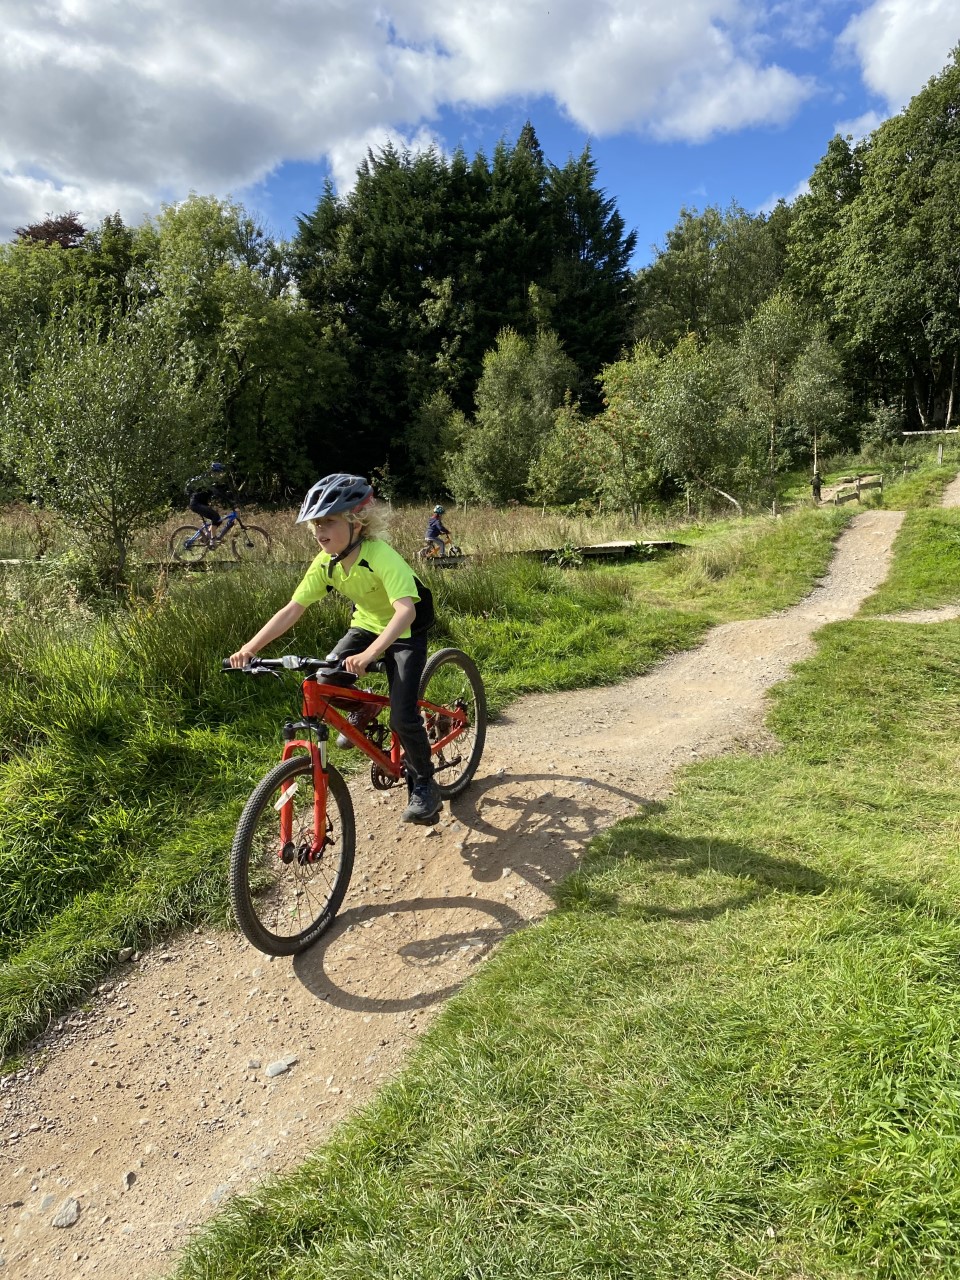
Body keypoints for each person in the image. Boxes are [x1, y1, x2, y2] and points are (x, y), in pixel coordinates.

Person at [228, 473, 442, 825]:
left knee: (403, 717)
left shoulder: (380, 555)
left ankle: (424, 784)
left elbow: (406, 610)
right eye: (315, 523)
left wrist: (371, 654)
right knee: (325, 680)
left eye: (328, 521)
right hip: (367, 625)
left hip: (406, 631)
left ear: (356, 523)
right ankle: (364, 709)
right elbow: (293, 609)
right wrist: (249, 648)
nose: (319, 530)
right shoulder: (326, 562)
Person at [186, 462, 233, 538]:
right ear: (214, 472)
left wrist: (230, 500)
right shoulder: (207, 481)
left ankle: (205, 537)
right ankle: (212, 539)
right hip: (196, 504)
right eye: (219, 473)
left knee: (218, 520)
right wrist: (230, 502)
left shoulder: (213, 481)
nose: (221, 475)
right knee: (216, 516)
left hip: (201, 503)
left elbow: (221, 493)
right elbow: (217, 493)